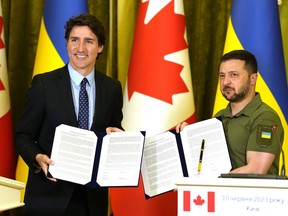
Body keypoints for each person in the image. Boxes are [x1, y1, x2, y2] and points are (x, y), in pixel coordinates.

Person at [15, 14, 123, 216]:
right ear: (67, 44)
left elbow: (114, 129)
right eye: (75, 40)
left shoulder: (112, 88)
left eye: (89, 41)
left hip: (92, 201)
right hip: (49, 199)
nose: (80, 48)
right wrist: (38, 157)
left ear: (100, 47)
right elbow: (23, 135)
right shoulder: (43, 85)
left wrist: (117, 136)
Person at [176, 49, 284, 175]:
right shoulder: (219, 117)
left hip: (252, 194)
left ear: (253, 79)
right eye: (222, 75)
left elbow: (256, 170)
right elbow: (206, 163)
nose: (226, 81)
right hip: (218, 193)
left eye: (233, 75)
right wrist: (190, 136)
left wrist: (213, 182)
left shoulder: (265, 117)